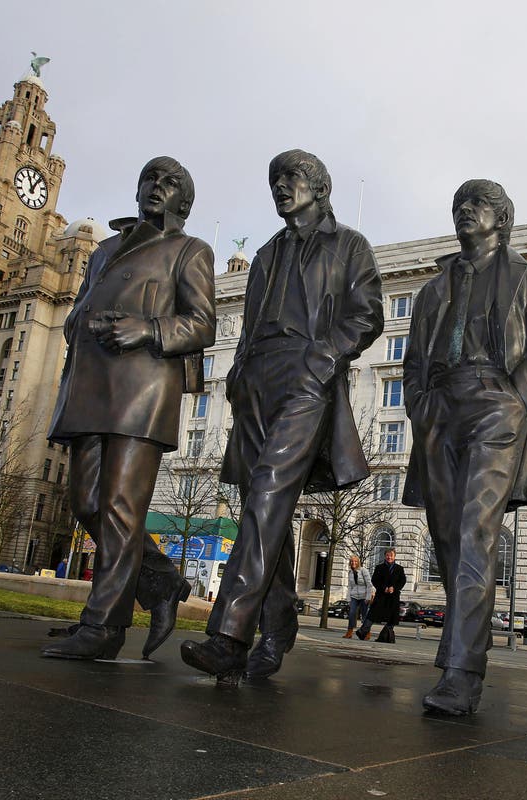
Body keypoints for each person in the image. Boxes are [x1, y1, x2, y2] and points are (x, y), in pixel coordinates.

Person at [181, 149, 383, 682]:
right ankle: (279, 621)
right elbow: (247, 325)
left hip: (307, 373)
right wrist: (240, 372)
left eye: (291, 177)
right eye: (274, 179)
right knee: (259, 499)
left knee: (269, 490)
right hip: (256, 380)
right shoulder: (267, 254)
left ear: (319, 186)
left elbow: (368, 314)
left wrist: (325, 354)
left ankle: (228, 634)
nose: (280, 186)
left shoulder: (349, 245)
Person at [43, 156, 216, 661]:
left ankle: (103, 626)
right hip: (91, 386)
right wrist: (83, 323)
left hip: (143, 388)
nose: (156, 189)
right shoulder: (103, 251)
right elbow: (76, 309)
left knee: (119, 507)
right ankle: (159, 579)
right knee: (86, 504)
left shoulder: (189, 250)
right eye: (149, 180)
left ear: (184, 201)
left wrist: (148, 329)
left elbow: (201, 323)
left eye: (170, 183)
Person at [401, 179, 527, 715]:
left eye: (476, 204)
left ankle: (461, 673)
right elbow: (413, 359)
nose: (464, 210)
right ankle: (458, 651)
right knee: (447, 538)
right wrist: (419, 403)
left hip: (495, 403)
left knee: (476, 531)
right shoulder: (434, 289)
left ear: (501, 219)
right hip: (439, 407)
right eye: (458, 203)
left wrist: (518, 399)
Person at [356, 549, 406, 643]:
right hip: (381, 595)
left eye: (391, 555)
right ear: (385, 556)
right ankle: (362, 632)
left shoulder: (399, 569)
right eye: (387, 555)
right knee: (373, 614)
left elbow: (402, 581)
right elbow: (375, 580)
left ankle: (385, 635)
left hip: (393, 596)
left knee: (392, 617)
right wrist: (384, 588)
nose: (389, 557)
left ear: (394, 556)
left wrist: (394, 588)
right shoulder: (379, 567)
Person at [343, 555, 373, 638]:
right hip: (354, 596)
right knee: (352, 613)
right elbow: (349, 586)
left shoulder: (363, 571)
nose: (353, 563)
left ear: (358, 562)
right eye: (352, 561)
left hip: (364, 596)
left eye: (355, 561)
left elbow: (369, 584)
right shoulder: (350, 573)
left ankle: (366, 632)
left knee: (364, 615)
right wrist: (348, 598)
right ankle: (349, 632)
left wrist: (368, 597)